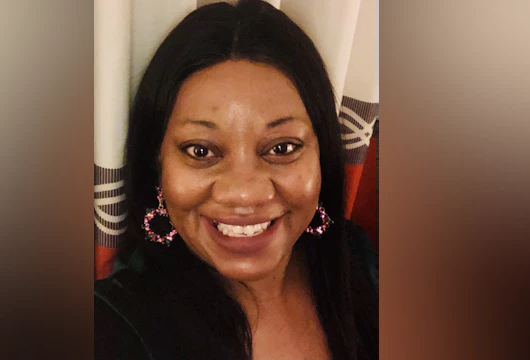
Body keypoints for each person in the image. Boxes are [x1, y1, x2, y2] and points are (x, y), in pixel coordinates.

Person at [94, 1, 378, 359]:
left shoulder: (358, 261)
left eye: (282, 147)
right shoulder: (112, 326)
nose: (245, 193)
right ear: (158, 166)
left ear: (321, 156)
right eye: (201, 152)